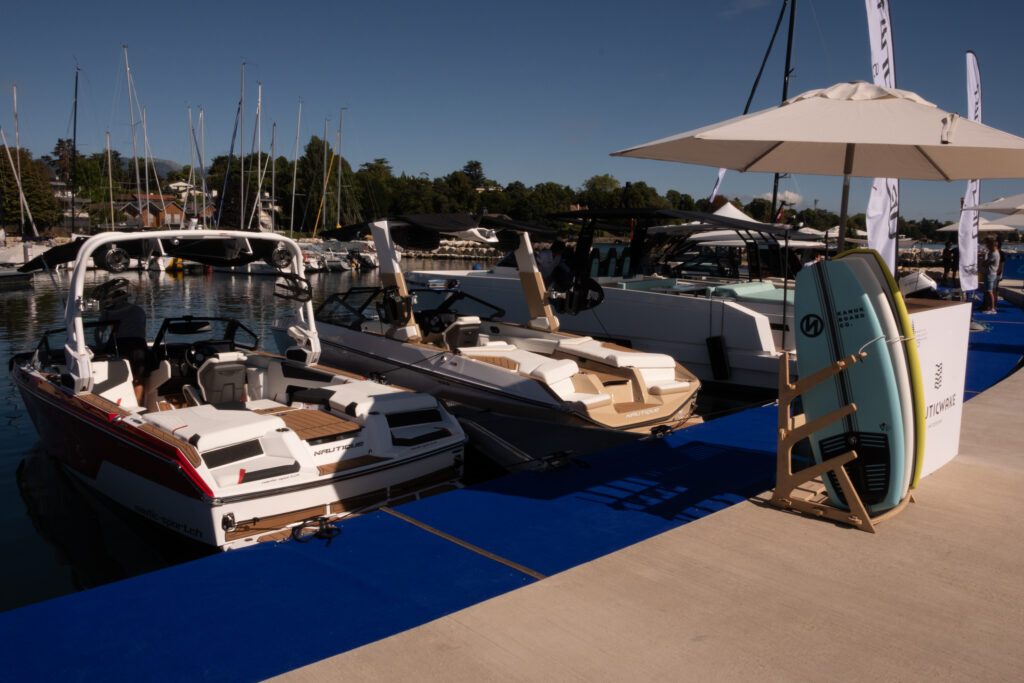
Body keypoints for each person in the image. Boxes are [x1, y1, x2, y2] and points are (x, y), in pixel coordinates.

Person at [96, 279, 148, 401]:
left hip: (120, 346)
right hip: (139, 345)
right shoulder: (139, 310)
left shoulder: (110, 311)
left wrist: (99, 346)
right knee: (139, 379)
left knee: (118, 376)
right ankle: (138, 405)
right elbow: (142, 329)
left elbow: (98, 332)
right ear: (126, 299)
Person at [979, 236, 1001, 314]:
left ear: (993, 245)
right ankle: (988, 306)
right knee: (987, 291)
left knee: (989, 291)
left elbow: (985, 263)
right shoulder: (991, 252)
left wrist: (983, 262)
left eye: (988, 245)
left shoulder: (994, 254)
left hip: (990, 273)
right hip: (988, 273)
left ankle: (992, 308)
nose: (987, 246)